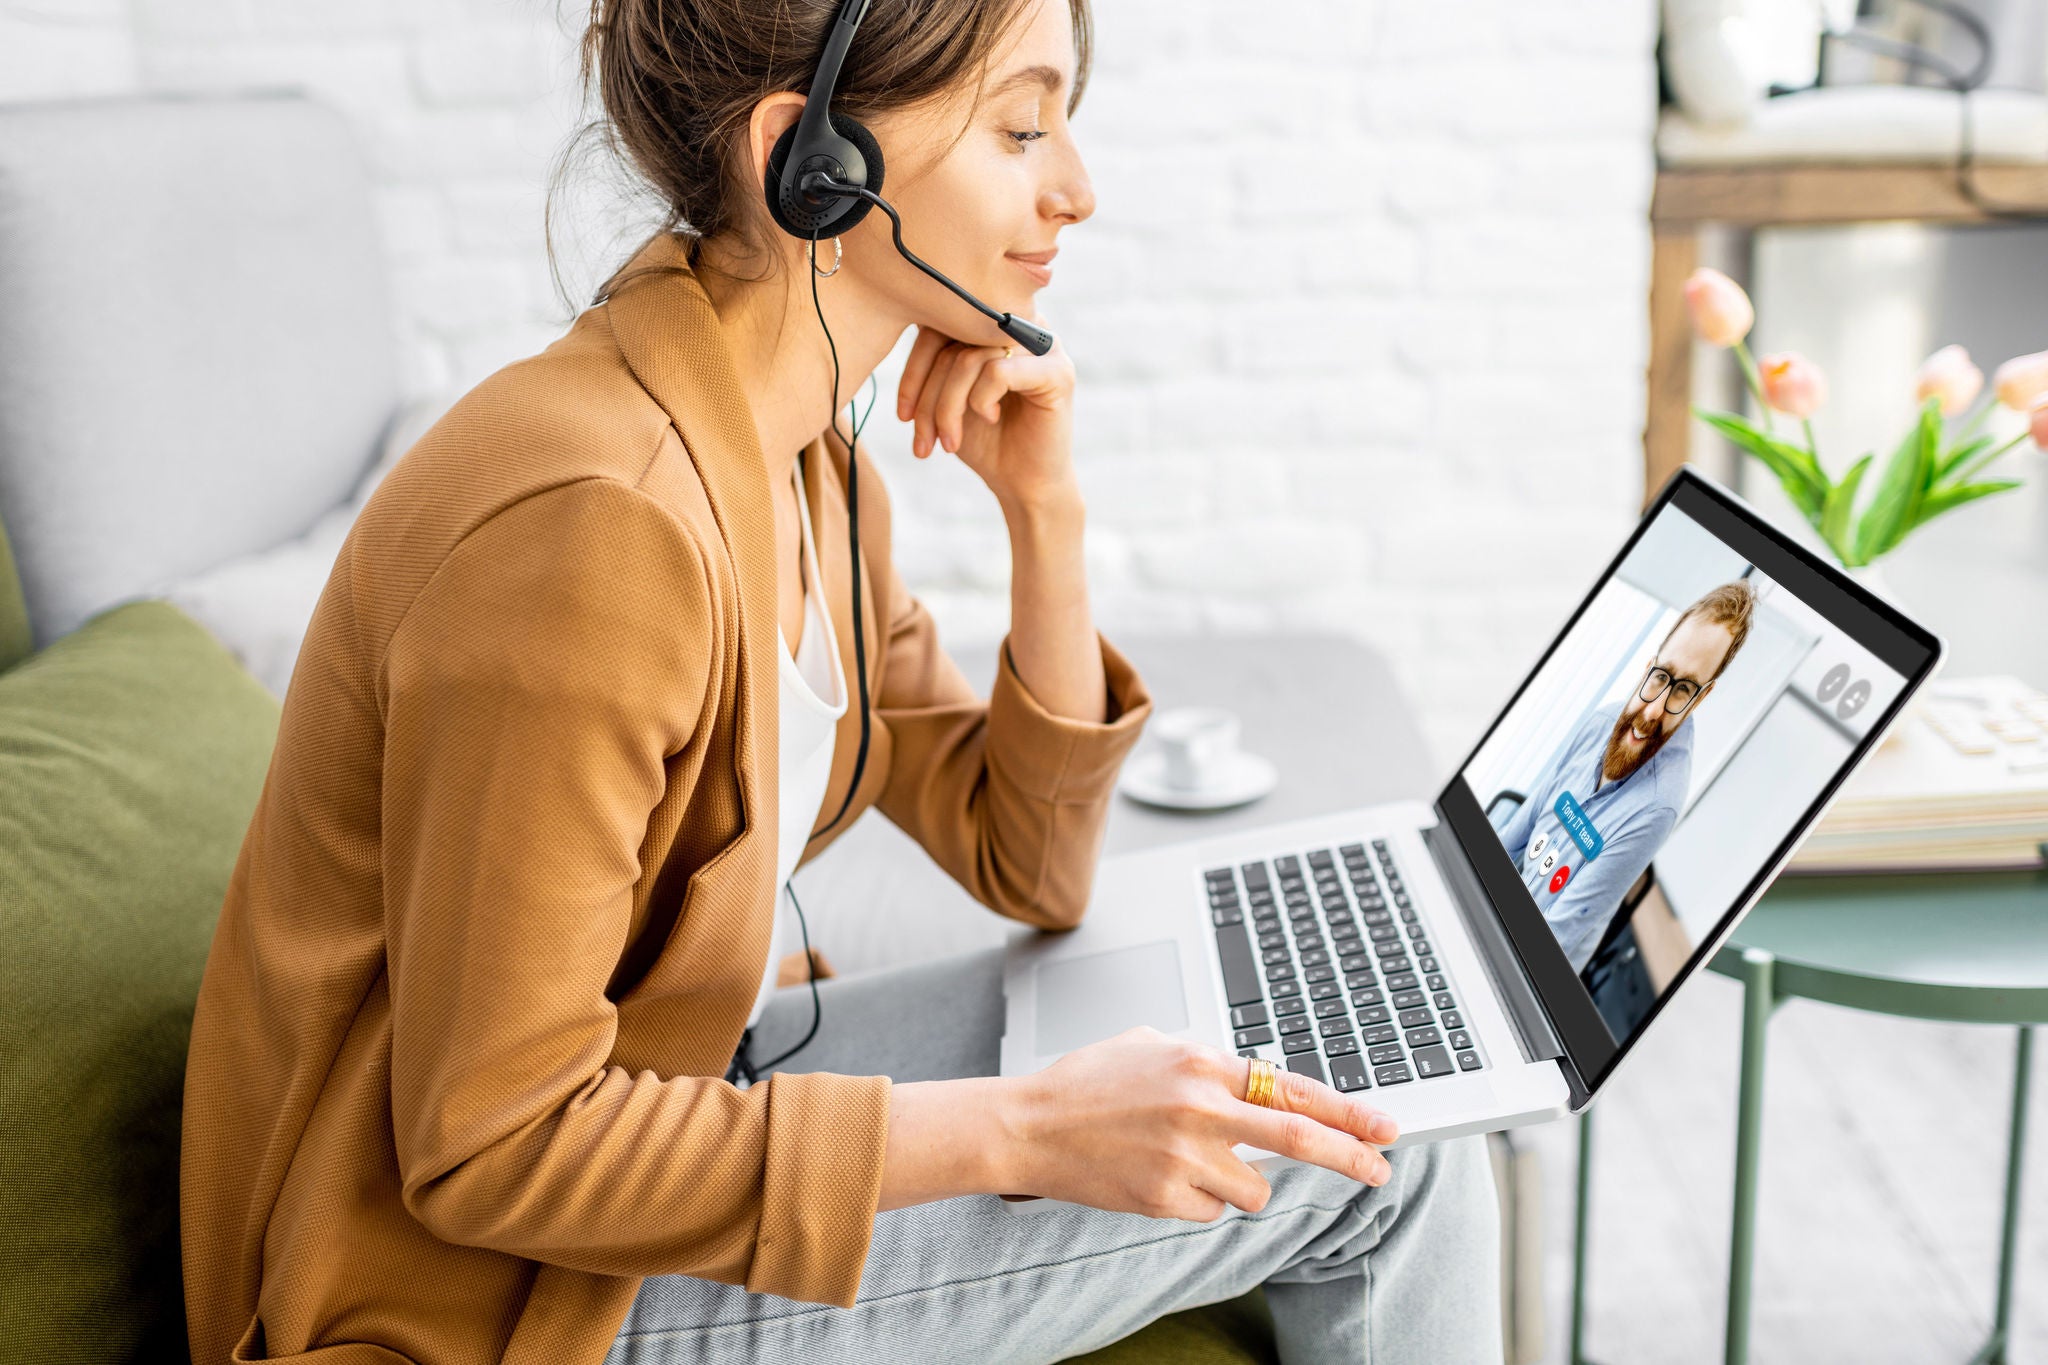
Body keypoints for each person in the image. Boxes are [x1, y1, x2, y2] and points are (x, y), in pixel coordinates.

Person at [178, 1, 1502, 1361]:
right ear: (810, 162)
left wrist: (1045, 523)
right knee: (1375, 1158)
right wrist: (1024, 1131)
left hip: (676, 1103)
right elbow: (492, 1144)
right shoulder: (595, 531)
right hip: (479, 1302)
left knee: (1350, 1083)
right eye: (1020, 127)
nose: (1077, 189)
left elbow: (1025, 861)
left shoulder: (807, 468)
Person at [1491, 581, 1757, 973]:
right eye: (1662, 677)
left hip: (1536, 964)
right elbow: (1516, 835)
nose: (1653, 712)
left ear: (1702, 697)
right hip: (1504, 913)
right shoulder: (1602, 721)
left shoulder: (1657, 806)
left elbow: (1556, 937)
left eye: (1683, 690)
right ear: (1650, 664)